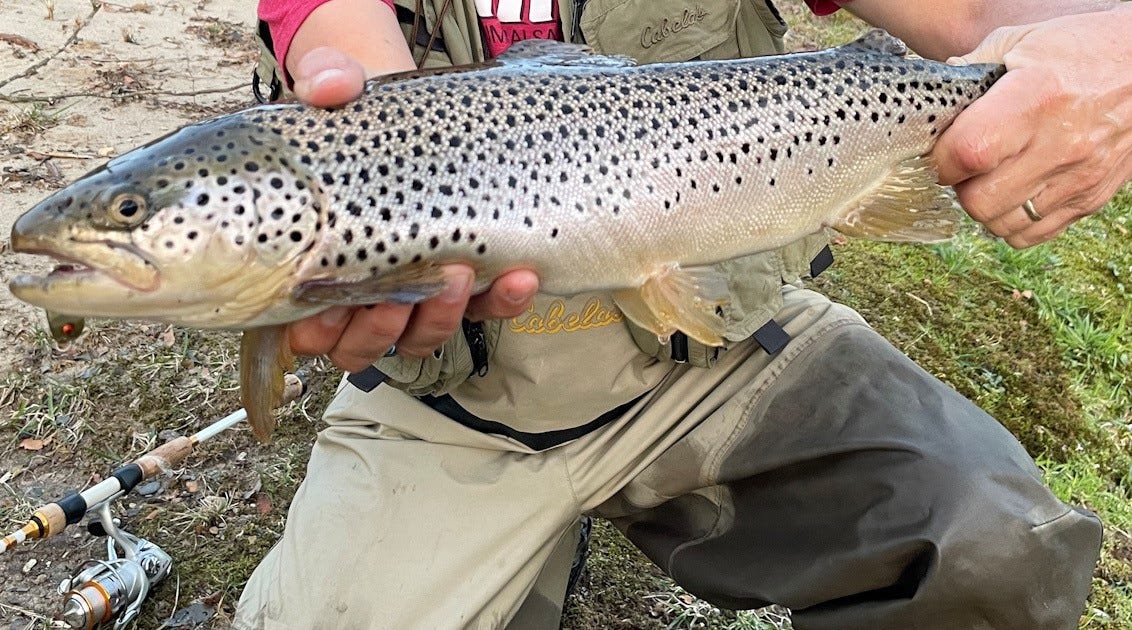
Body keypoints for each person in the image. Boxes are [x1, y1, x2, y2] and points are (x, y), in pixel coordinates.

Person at [234, 0, 1132, 628]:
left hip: (718, 362)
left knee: (994, 541)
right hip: (457, 412)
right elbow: (355, 70)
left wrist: (1114, 49)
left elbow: (987, 11)